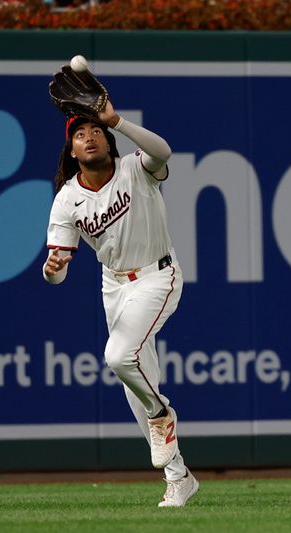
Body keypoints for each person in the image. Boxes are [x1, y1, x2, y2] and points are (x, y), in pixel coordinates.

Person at [42, 99, 198, 508]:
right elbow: (56, 274)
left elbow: (163, 152)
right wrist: (51, 267)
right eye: (80, 134)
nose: (89, 137)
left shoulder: (135, 167)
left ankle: (161, 414)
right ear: (72, 152)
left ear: (108, 141)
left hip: (158, 274)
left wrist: (119, 121)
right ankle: (178, 477)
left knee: (118, 356)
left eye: (95, 131)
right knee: (134, 381)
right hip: (115, 287)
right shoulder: (67, 199)